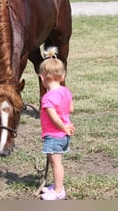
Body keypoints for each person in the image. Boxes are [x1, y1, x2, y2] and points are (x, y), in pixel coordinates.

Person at [38, 47, 75, 201]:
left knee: (56, 163)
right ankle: (56, 185)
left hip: (55, 135)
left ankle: (59, 190)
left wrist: (63, 127)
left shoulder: (47, 98)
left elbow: (54, 118)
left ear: (41, 78)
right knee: (56, 162)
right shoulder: (65, 91)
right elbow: (71, 109)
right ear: (63, 76)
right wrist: (66, 125)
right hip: (63, 134)